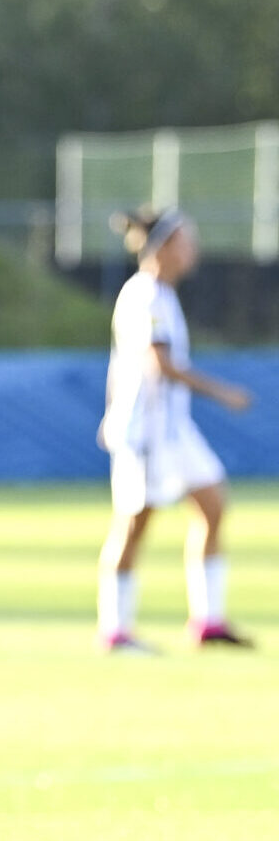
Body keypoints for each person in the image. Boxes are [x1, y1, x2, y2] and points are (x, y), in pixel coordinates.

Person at [97, 207, 253, 650]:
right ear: (163, 246)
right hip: (145, 431)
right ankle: (116, 630)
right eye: (186, 240)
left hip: (173, 430)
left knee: (213, 502)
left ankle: (208, 622)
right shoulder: (145, 294)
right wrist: (223, 394)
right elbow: (160, 365)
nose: (193, 250)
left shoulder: (162, 294)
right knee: (133, 525)